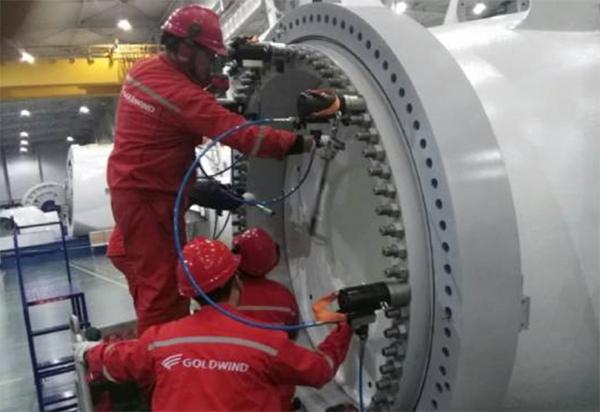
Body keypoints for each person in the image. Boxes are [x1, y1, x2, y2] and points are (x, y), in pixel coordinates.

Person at [107, 4, 313, 334]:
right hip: (150, 199)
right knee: (163, 292)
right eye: (209, 56)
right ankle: (164, 358)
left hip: (138, 193)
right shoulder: (180, 95)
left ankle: (155, 345)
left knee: (147, 279)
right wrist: (300, 143)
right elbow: (238, 134)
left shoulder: (146, 71)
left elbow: (181, 111)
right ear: (186, 50)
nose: (212, 64)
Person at [78, 237, 352, 412]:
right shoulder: (266, 343)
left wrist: (89, 352)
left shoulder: (161, 340)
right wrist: (345, 327)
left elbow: (119, 358)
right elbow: (320, 370)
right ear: (236, 281)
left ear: (189, 293)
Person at [233, 228, 300, 412]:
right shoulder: (284, 296)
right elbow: (292, 335)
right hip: (278, 392)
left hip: (239, 388)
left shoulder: (230, 296)